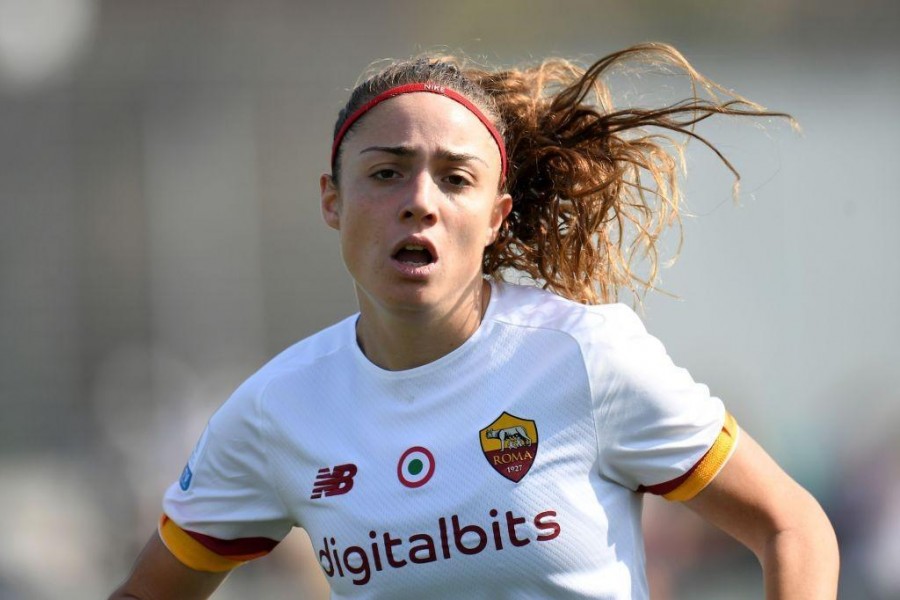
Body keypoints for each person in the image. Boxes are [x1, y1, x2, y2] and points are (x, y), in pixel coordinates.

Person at [109, 42, 839, 599]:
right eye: (387, 172)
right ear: (332, 200)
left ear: (495, 218)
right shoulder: (277, 410)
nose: (420, 201)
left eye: (455, 179)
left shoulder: (585, 357)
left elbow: (792, 526)